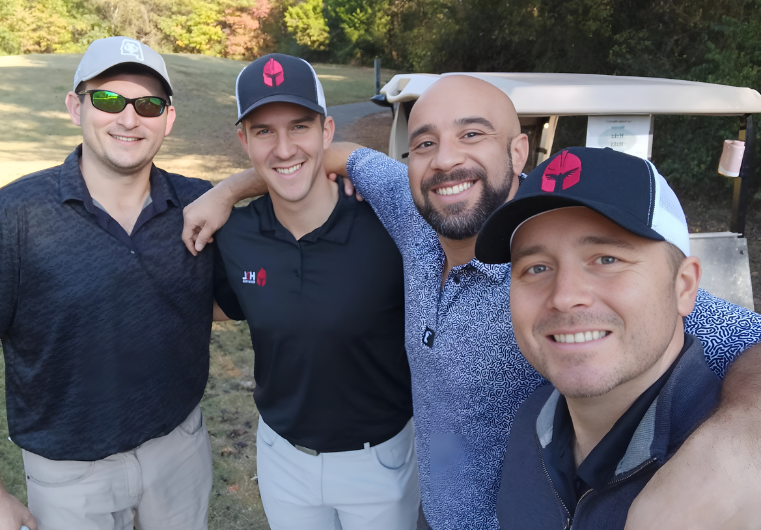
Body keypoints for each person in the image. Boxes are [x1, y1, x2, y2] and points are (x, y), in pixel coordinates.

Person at [181, 74, 761, 530]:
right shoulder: (413, 211)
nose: (445, 158)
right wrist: (227, 190)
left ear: (518, 150)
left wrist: (731, 450)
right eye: (425, 142)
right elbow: (321, 157)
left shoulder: (547, 272)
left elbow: (747, 336)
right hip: (426, 511)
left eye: (472, 134)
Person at [0, 37, 218, 530]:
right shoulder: (13, 216)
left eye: (147, 104)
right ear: (75, 107)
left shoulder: (198, 204)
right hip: (70, 477)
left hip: (180, 450)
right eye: (106, 100)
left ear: (168, 118)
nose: (128, 118)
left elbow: (227, 301)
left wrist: (231, 191)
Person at [211, 53, 419, 530]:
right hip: (283, 457)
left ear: (327, 132)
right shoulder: (235, 235)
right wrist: (223, 193)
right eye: (264, 131)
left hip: (379, 463)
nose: (284, 148)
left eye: (299, 126)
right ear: (244, 140)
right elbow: (218, 306)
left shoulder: (389, 226)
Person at [479, 147, 717, 528]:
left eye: (606, 259)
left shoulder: (738, 475)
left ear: (684, 286)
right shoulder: (531, 420)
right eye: (537, 267)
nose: (564, 296)